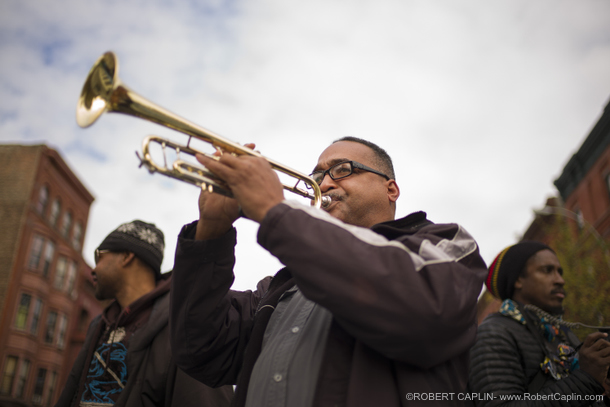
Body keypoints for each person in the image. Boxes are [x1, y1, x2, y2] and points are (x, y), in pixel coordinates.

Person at [170, 137, 488, 407]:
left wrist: (276, 212)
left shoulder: (444, 242)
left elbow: (424, 309)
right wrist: (211, 231)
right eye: (319, 174)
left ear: (390, 189)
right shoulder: (281, 284)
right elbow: (200, 349)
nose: (323, 183)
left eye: (341, 169)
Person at [55, 220, 233, 407]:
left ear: (126, 256)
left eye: (99, 256)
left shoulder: (184, 327)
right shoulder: (99, 325)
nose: (94, 269)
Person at [468, 240, 610, 406]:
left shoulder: (558, 332)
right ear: (518, 280)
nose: (560, 280)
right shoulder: (493, 334)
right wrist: (587, 378)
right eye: (547, 270)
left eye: (560, 272)